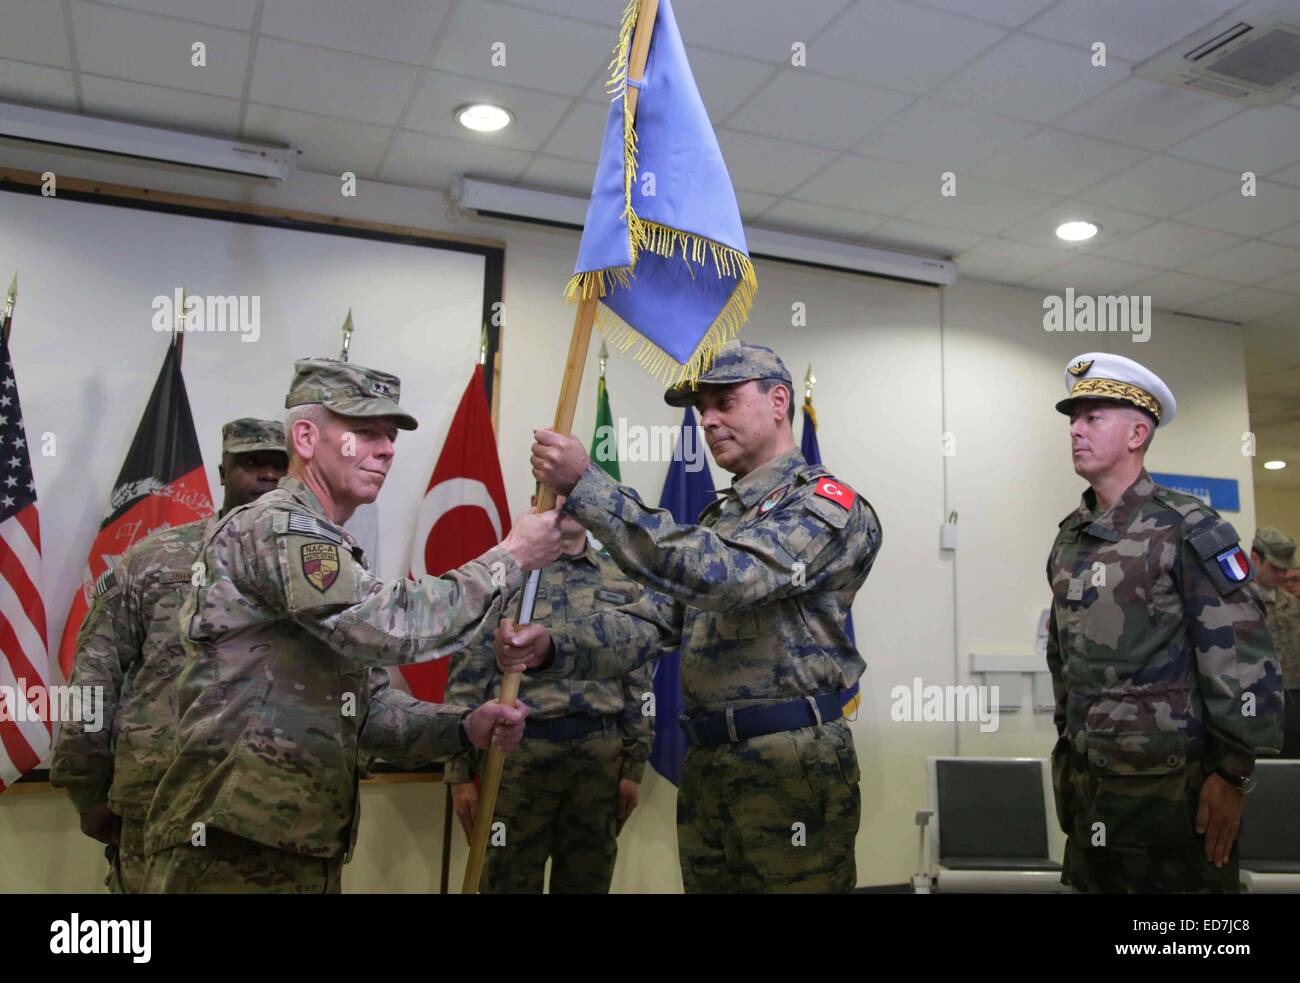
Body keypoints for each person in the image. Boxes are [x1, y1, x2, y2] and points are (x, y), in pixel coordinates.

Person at [141, 357, 564, 893]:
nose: (386, 449)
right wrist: (511, 557)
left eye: (389, 436)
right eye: (364, 433)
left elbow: (367, 711)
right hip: (233, 843)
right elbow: (388, 626)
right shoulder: (279, 527)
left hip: (300, 844)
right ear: (305, 437)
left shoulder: (331, 548)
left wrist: (461, 727)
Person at [516, 340, 882, 893]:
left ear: (778, 401)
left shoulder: (827, 505)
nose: (707, 420)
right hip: (710, 763)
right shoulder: (721, 516)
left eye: (724, 402)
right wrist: (552, 647)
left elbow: (729, 578)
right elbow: (655, 620)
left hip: (789, 765)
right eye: (701, 408)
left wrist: (590, 487)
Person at [1045, 352, 1283, 894]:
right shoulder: (1070, 538)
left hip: (1172, 802)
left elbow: (1244, 658)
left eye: (1092, 416)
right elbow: (1064, 662)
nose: (1075, 430)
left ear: (1136, 432)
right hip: (1091, 796)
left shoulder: (1188, 529)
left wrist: (1233, 774)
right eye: (1073, 419)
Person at [51, 418, 288, 893]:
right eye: (251, 462)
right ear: (222, 471)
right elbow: (94, 677)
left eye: (279, 466)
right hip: (158, 806)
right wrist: (87, 789)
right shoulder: (153, 559)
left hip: (278, 814)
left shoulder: (317, 569)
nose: (267, 475)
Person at [445, 495, 655, 893]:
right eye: (555, 491)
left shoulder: (620, 580)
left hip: (599, 759)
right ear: (536, 500)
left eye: (575, 490)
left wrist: (633, 767)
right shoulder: (504, 576)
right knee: (505, 879)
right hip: (517, 760)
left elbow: (638, 681)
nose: (567, 501)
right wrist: (459, 775)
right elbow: (466, 677)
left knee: (586, 882)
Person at [1250, 528, 1300, 758]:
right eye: (1275, 568)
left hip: (1293, 701)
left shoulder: (1291, 604)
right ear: (1254, 558)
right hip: (1255, 701)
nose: (1282, 575)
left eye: (1285, 569)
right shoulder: (1237, 601)